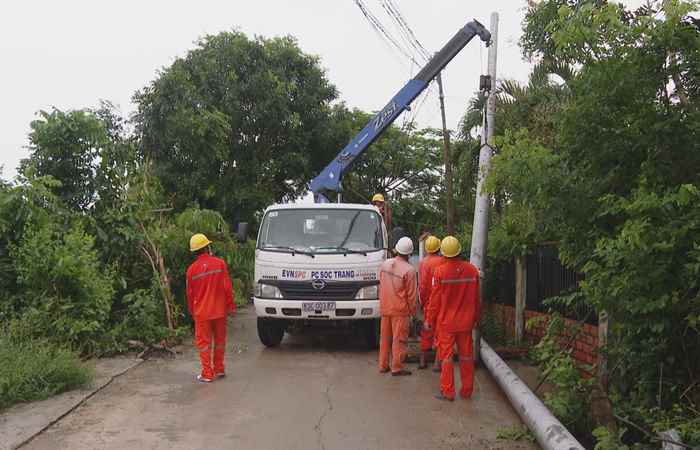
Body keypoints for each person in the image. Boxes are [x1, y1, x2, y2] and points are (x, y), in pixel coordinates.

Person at [427, 236, 480, 401]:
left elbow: (434, 300)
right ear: (459, 250)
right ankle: (466, 391)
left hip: (446, 323)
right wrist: (476, 318)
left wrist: (429, 319)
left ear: (443, 253)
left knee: (447, 358)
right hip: (466, 322)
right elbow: (477, 299)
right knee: (466, 357)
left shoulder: (440, 272)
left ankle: (448, 392)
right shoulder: (472, 270)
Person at [186, 233, 236, 383]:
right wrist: (230, 306)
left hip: (201, 313)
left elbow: (190, 295)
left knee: (204, 344)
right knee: (220, 341)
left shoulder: (191, 271)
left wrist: (191, 311)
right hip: (219, 311)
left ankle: (207, 373)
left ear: (194, 252)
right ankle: (219, 369)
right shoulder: (220, 264)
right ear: (207, 247)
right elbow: (227, 287)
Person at [378, 236, 417, 376]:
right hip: (400, 311)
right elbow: (412, 296)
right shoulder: (409, 270)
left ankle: (383, 365)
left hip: (385, 307)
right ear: (410, 253)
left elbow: (381, 284)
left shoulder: (385, 264)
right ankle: (397, 367)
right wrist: (413, 313)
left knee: (385, 338)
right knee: (399, 339)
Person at [417, 235, 446, 370]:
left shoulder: (423, 263)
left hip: (429, 301)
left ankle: (422, 361)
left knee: (426, 331)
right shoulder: (443, 261)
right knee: (440, 333)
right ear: (439, 247)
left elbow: (422, 285)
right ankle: (437, 363)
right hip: (442, 302)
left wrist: (422, 301)